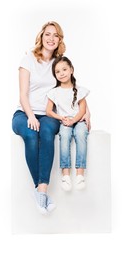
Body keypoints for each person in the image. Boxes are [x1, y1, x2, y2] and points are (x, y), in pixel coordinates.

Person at [12, 21, 91, 215]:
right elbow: (23, 95)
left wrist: (86, 112)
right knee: (31, 134)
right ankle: (41, 191)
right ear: (41, 36)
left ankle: (41, 192)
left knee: (46, 132)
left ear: (59, 40)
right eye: (48, 34)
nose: (51, 38)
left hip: (48, 113)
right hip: (25, 112)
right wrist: (30, 115)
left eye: (56, 35)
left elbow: (73, 87)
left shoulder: (59, 62)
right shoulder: (28, 59)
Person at [46, 56, 89, 191]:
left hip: (78, 120)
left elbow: (82, 109)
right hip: (64, 122)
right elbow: (48, 111)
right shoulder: (54, 92)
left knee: (81, 134)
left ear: (71, 70)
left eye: (64, 69)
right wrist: (62, 118)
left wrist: (74, 120)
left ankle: (80, 174)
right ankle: (66, 175)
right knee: (64, 135)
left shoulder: (79, 89)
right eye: (58, 72)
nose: (62, 73)